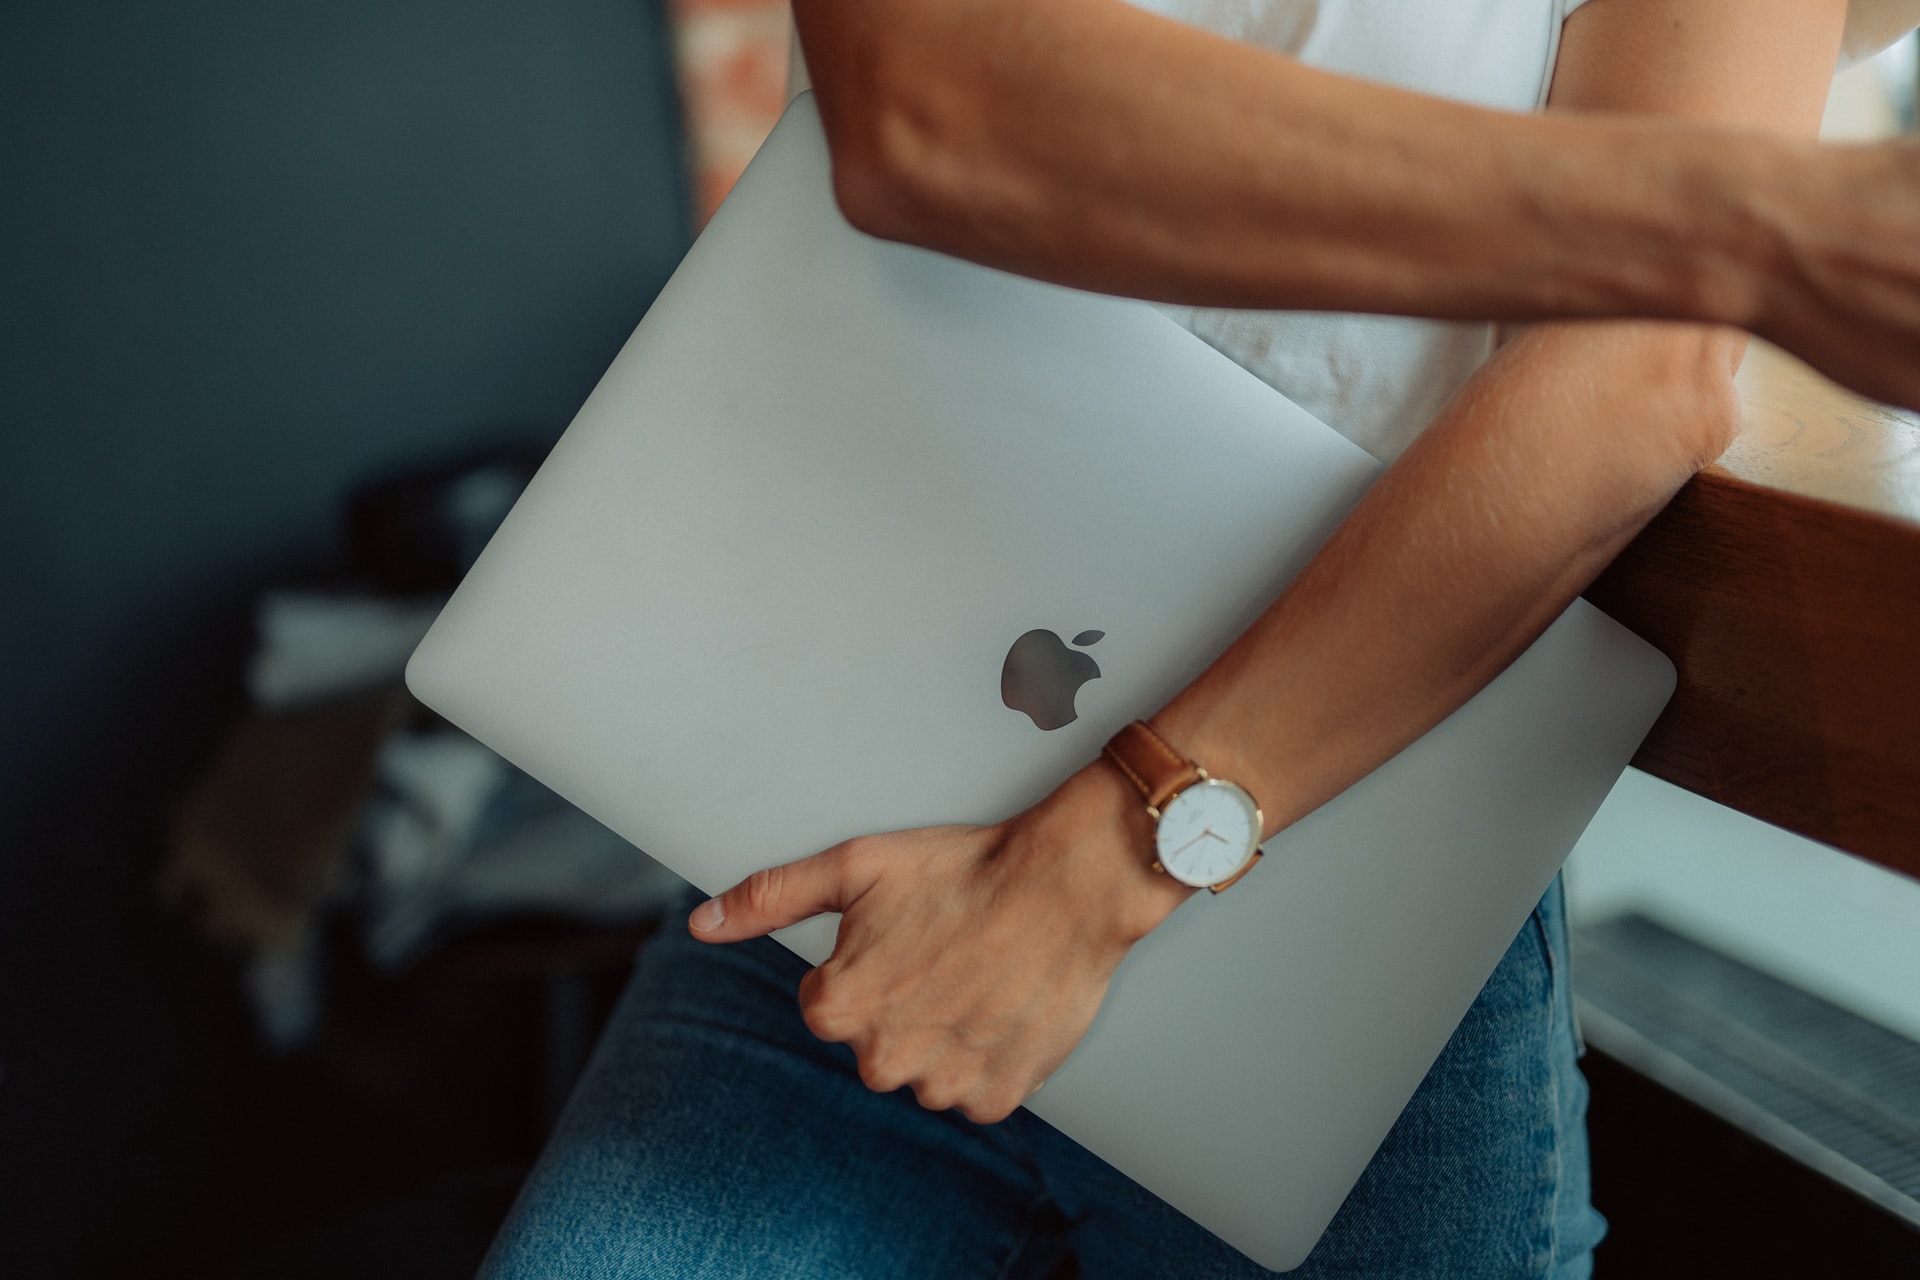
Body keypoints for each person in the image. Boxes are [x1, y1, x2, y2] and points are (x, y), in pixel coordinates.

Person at [479, 1, 1919, 1275]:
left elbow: (1634, 388)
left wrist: (1105, 861)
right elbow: (929, 103)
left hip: (1346, 904)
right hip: (829, 865)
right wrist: (1731, 211)